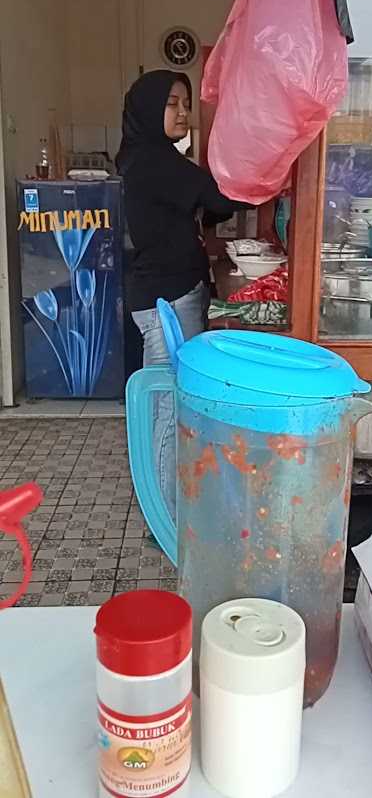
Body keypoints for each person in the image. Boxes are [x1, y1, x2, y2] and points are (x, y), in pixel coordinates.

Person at [116, 69, 241, 525]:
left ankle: (167, 504)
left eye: (186, 103)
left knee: (168, 403)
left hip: (162, 291)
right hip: (167, 298)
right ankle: (167, 518)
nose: (183, 112)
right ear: (150, 109)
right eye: (172, 103)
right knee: (169, 407)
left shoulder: (142, 156)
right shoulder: (156, 161)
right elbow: (222, 199)